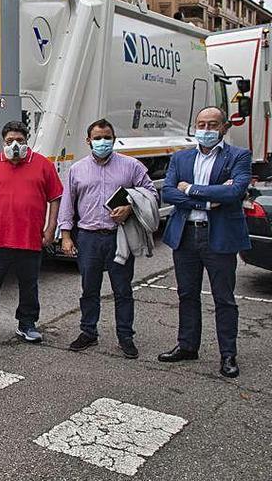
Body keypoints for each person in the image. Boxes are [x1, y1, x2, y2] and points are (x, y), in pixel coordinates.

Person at [158, 106, 251, 378]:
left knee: (224, 298)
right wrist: (211, 200)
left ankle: (228, 355)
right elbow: (169, 193)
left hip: (218, 236)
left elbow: (235, 192)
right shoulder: (181, 158)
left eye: (212, 125)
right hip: (186, 234)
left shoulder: (239, 156)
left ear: (223, 128)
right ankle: (187, 346)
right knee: (187, 295)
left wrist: (192, 189)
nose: (206, 130)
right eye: (201, 124)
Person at [59, 119, 157, 358]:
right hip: (89, 238)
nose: (103, 142)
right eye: (98, 138)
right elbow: (68, 203)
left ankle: (125, 337)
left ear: (114, 138)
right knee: (88, 289)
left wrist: (129, 207)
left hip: (119, 237)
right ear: (88, 140)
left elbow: (151, 193)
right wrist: (66, 236)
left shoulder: (131, 166)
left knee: (122, 290)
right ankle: (88, 332)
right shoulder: (77, 169)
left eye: (107, 137)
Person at [0, 121, 63, 343]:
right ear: (3, 142)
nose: (14, 145)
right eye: (9, 141)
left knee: (29, 286)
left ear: (26, 142)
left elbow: (55, 197)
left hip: (30, 240)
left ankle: (27, 324)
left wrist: (50, 228)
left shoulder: (43, 165)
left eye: (19, 141)